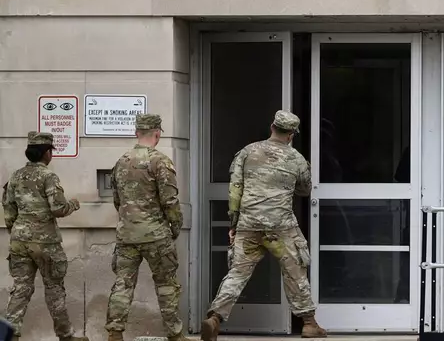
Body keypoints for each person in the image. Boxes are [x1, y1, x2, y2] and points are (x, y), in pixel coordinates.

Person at [201, 110, 327, 341]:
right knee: (295, 270)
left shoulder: (247, 152)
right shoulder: (296, 158)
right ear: (291, 135)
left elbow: (235, 188)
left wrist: (234, 222)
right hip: (281, 226)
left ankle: (215, 318)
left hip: (249, 225)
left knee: (238, 272)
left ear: (272, 127)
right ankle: (309, 323)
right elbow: (305, 190)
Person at [105, 114, 187, 341]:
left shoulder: (121, 162)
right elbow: (170, 201)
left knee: (122, 284)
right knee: (166, 284)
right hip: (156, 235)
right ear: (158, 134)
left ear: (136, 133)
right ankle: (175, 334)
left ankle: (114, 331)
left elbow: (117, 201)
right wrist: (175, 226)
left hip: (127, 235)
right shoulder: (160, 161)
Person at [1, 132, 88, 341]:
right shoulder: (48, 176)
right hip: (45, 242)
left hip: (20, 241)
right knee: (54, 288)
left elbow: (8, 208)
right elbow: (58, 208)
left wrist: (17, 231)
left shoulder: (15, 176)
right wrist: (74, 204)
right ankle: (65, 336)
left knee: (20, 289)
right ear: (47, 153)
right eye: (51, 151)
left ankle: (8, 336)